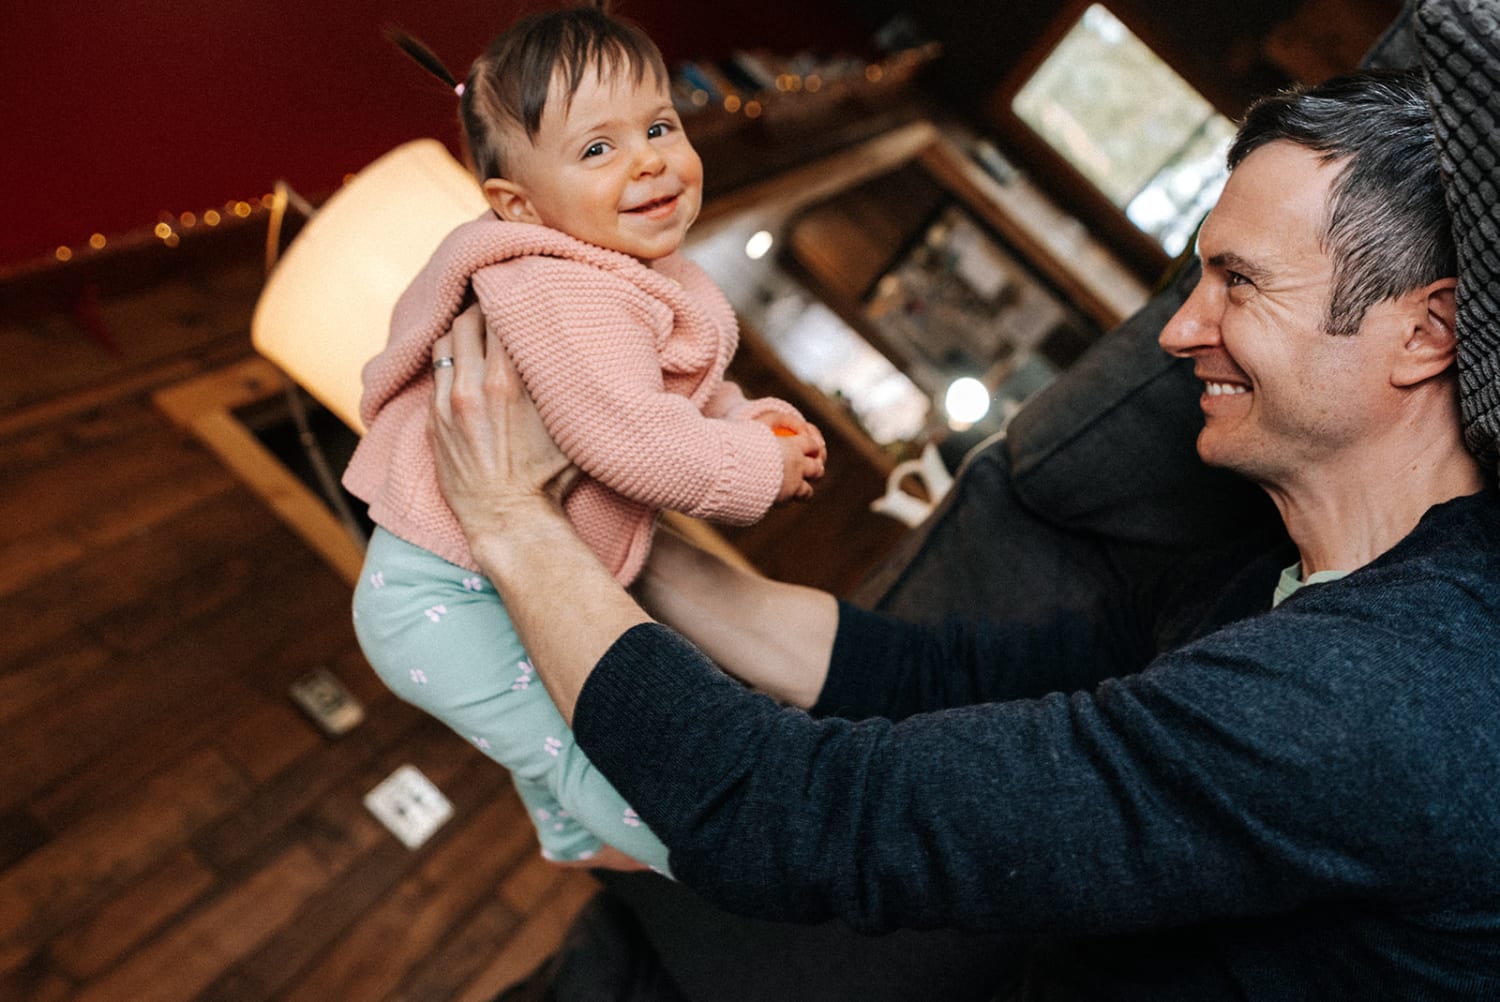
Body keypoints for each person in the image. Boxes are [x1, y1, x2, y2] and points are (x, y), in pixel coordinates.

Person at [425, 56, 1500, 998]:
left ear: (1425, 333)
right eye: (1196, 276)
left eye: (1239, 285)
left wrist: (513, 525)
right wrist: (603, 512)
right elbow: (921, 675)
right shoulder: (1261, 581)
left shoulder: (1376, 693)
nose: (1180, 331)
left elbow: (797, 818)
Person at [341, 1, 827, 875]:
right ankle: (719, 862)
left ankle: (569, 837)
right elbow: (629, 439)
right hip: (444, 599)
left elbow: (674, 392)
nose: (647, 159)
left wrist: (748, 419)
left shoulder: (623, 273)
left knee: (557, 734)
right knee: (587, 745)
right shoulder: (561, 289)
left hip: (489, 584)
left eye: (659, 124)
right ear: (517, 205)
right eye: (598, 149)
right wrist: (757, 464)